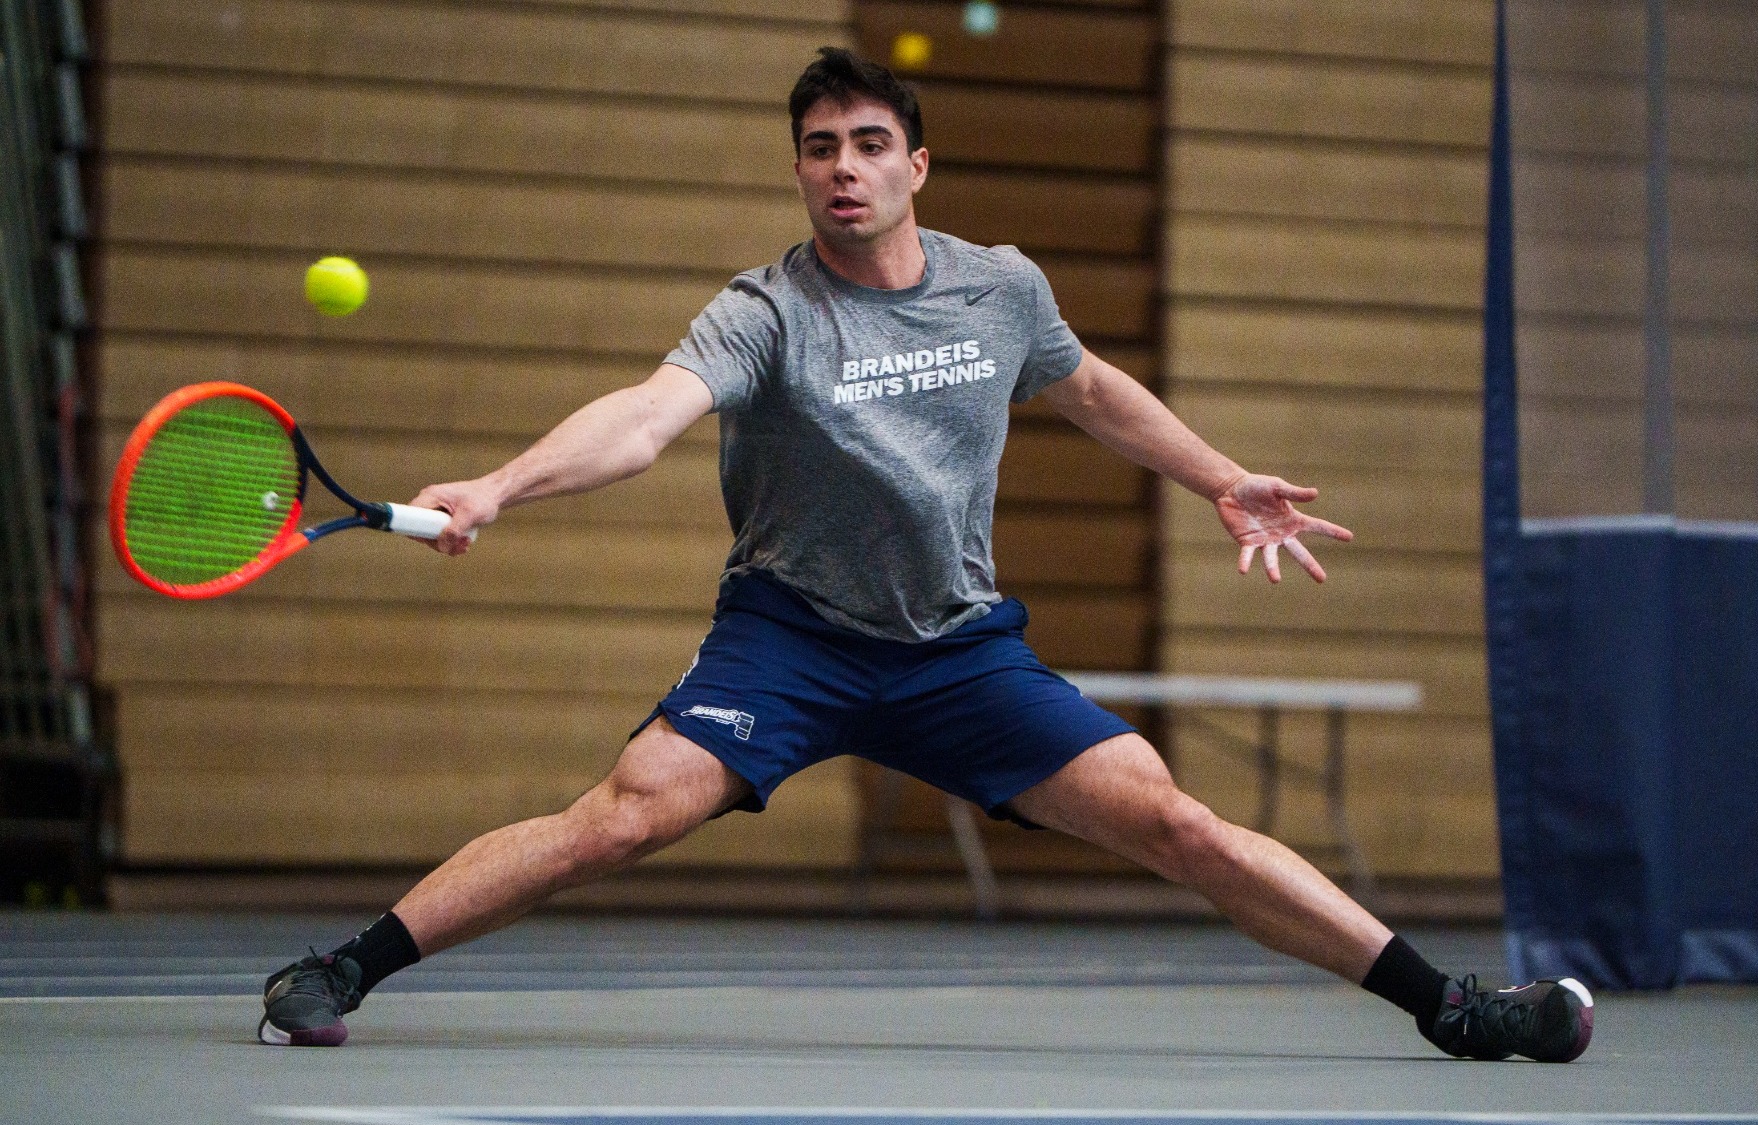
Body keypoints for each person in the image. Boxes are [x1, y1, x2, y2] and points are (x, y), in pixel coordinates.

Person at [258, 47, 1593, 1063]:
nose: (842, 166)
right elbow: (643, 421)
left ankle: (1458, 1008)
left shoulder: (1000, 287)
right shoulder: (764, 310)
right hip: (790, 637)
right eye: (819, 147)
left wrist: (1221, 478)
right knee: (623, 816)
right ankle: (340, 968)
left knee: (1179, 821)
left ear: (917, 166)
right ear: (799, 170)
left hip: (959, 651)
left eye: (868, 143)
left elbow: (1094, 389)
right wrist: (503, 483)